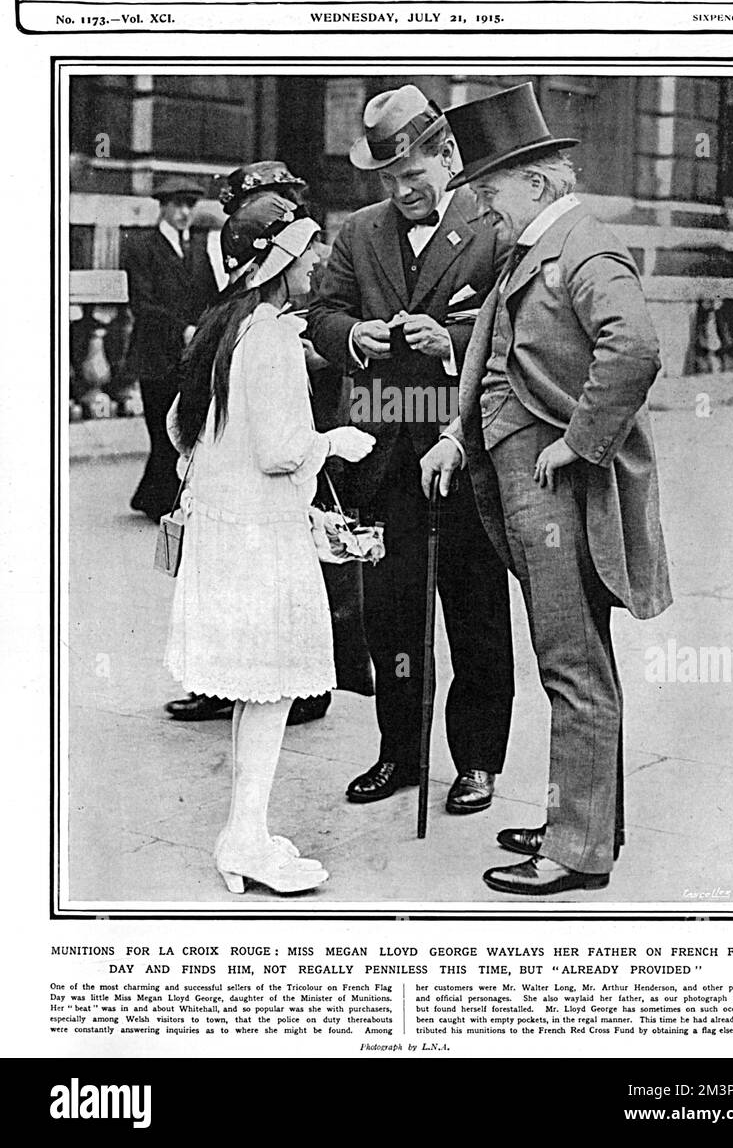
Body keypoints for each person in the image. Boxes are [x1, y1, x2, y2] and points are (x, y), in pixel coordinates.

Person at [420, 83, 672, 896]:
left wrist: (577, 442)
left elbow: (632, 349)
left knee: (571, 667)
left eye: (490, 190)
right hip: (523, 483)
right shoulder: (537, 248)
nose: (482, 208)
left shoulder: (582, 249)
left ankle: (574, 851)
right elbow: (498, 357)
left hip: (554, 491)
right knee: (576, 660)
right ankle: (588, 816)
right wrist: (459, 437)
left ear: (535, 183)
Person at [164, 161, 374, 896]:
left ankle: (244, 831)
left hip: (227, 537)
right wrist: (336, 443)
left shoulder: (225, 329)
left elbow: (181, 432)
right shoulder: (273, 340)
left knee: (257, 692)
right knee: (271, 693)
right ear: (282, 257)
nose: (320, 259)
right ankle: (243, 837)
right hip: (262, 542)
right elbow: (281, 449)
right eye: (311, 248)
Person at [308, 86, 515, 812]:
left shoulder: (492, 228)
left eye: (414, 178)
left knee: (474, 612)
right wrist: (349, 339)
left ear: (448, 157)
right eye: (390, 182)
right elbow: (321, 316)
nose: (402, 193)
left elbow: (518, 330)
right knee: (392, 617)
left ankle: (477, 763)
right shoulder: (359, 231)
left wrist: (454, 344)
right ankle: (398, 754)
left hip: (462, 452)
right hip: (384, 453)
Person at [125, 176, 219, 524]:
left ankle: (156, 498)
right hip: (154, 353)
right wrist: (183, 329)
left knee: (181, 426)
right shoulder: (141, 246)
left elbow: (209, 295)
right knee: (161, 428)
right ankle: (161, 501)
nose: (183, 213)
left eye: (189, 206)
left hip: (189, 355)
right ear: (162, 206)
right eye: (177, 205)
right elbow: (142, 304)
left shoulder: (195, 249)